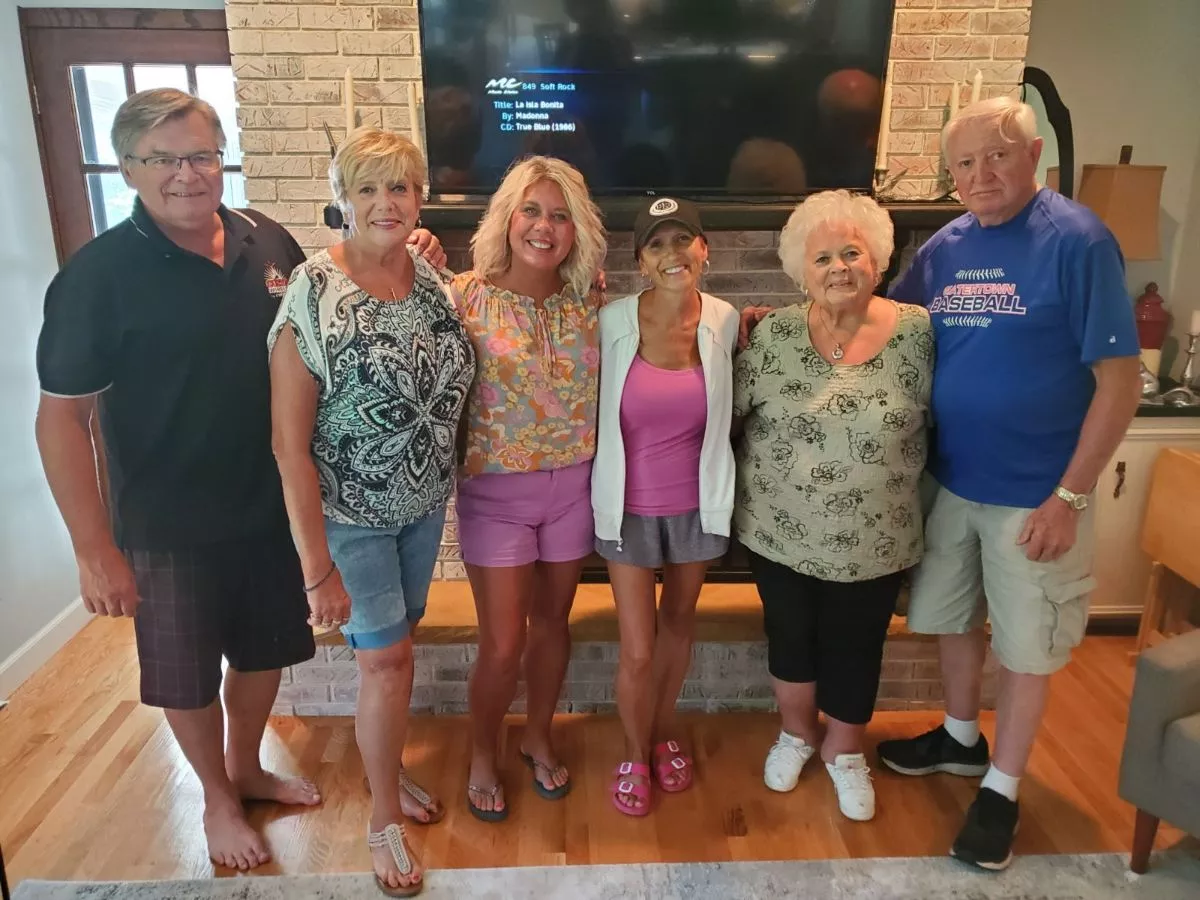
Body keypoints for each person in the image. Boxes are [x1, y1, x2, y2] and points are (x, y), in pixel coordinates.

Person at [33, 89, 446, 875]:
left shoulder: (266, 240)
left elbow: (338, 280)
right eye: (164, 159)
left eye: (200, 155)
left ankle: (248, 764)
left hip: (270, 506)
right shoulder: (97, 277)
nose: (188, 174)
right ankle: (217, 796)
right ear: (128, 168)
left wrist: (401, 242)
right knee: (186, 669)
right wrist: (93, 549)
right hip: (168, 516)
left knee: (264, 653)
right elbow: (60, 419)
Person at [876, 98, 1141, 870]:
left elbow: (1120, 383)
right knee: (954, 617)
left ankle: (1001, 790)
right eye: (964, 162)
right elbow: (885, 316)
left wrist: (1072, 496)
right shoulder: (947, 247)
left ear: (1033, 156)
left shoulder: (1079, 242)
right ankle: (961, 741)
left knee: (1026, 647)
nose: (980, 174)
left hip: (1039, 491)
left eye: (997, 155)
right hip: (954, 481)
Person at [269, 127, 474, 895]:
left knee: (397, 653)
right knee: (383, 661)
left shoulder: (428, 281)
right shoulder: (313, 289)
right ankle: (381, 814)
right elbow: (289, 445)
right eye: (368, 189)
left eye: (401, 188)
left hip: (422, 508)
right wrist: (316, 567)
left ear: (420, 198)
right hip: (350, 517)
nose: (386, 203)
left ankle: (387, 773)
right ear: (341, 200)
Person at [733, 190, 933, 822]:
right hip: (779, 529)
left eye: (852, 252)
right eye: (822, 258)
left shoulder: (920, 334)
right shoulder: (773, 334)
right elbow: (729, 415)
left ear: (878, 259)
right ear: (801, 270)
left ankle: (846, 751)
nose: (839, 268)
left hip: (877, 534)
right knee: (789, 635)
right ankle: (796, 735)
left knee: (857, 641)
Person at [452, 156, 606, 821]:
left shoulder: (589, 302)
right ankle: (483, 750)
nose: (545, 227)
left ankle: (538, 735)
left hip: (573, 488)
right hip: (496, 498)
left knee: (552, 628)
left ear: (578, 230)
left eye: (561, 215)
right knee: (504, 642)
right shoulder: (463, 296)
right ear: (507, 219)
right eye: (533, 211)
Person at [592, 198, 739, 816]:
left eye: (684, 241)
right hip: (628, 509)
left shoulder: (726, 320)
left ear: (704, 249)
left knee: (678, 629)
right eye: (657, 245)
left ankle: (663, 732)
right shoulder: (612, 321)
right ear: (639, 262)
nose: (673, 255)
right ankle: (635, 747)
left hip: (697, 507)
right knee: (640, 647)